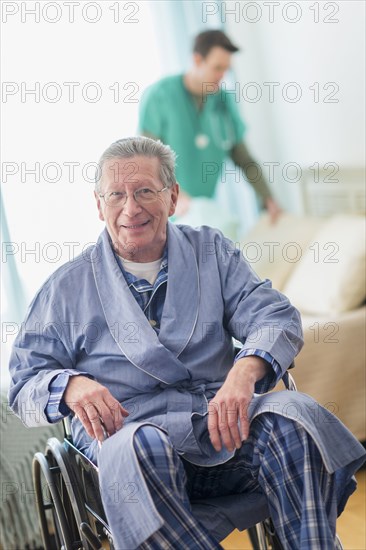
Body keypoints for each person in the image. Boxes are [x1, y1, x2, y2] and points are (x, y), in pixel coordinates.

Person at [9, 137, 365, 550]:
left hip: (224, 430)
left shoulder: (211, 251)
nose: (131, 208)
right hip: (135, 447)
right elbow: (24, 382)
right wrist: (71, 385)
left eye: (145, 191)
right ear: (98, 204)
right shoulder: (66, 287)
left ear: (173, 196)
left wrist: (244, 372)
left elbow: (275, 315)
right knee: (144, 447)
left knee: (295, 418)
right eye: (116, 195)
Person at [139, 29, 282, 224]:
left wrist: (267, 198)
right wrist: (171, 194)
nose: (222, 75)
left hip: (201, 214)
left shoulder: (223, 102)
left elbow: (245, 161)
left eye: (226, 69)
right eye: (217, 68)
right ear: (197, 60)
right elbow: (146, 161)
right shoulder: (160, 96)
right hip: (165, 213)